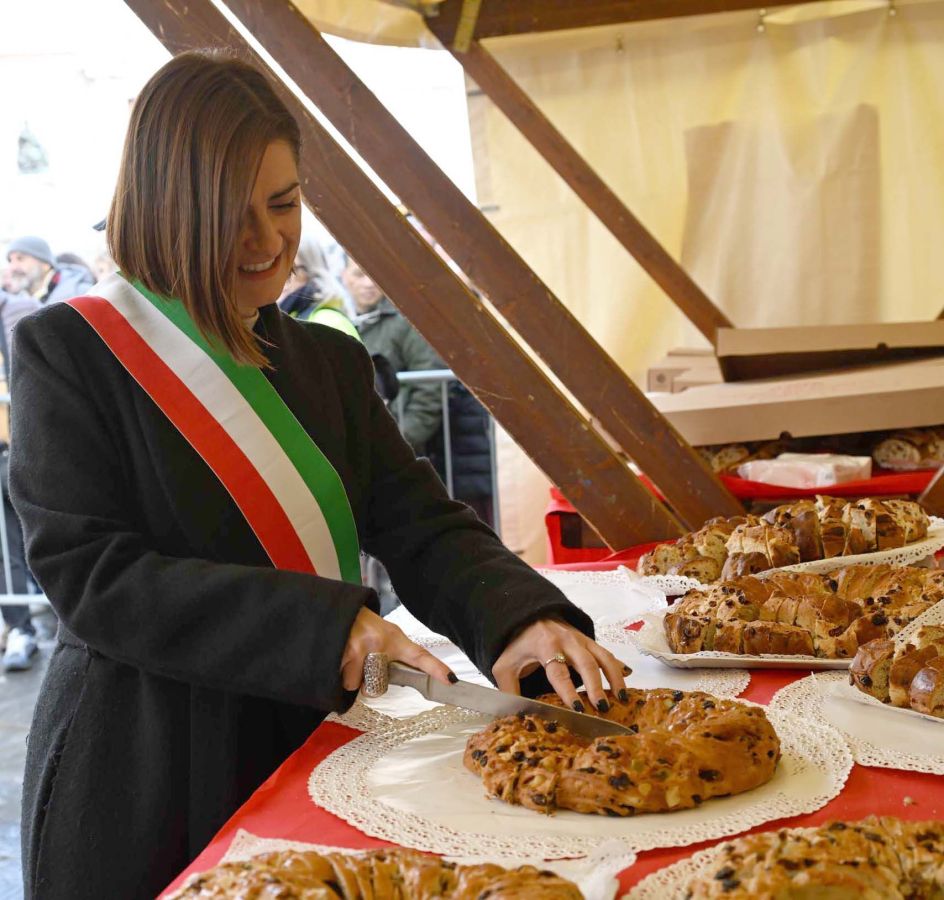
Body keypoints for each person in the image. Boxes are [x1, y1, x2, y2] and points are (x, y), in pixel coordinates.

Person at [10, 51, 627, 900]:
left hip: (315, 734)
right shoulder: (73, 352)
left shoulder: (329, 362)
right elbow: (93, 576)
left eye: (285, 203)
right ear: (167, 209)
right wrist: (325, 629)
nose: (269, 244)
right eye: (233, 216)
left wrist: (515, 618)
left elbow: (416, 520)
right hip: (148, 771)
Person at [343, 257, 445, 455]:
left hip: (397, 448)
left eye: (373, 275)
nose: (368, 283)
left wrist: (401, 439)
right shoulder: (335, 318)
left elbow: (430, 388)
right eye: (359, 274)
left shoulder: (405, 321)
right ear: (345, 276)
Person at [0, 288, 41, 670]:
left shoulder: (21, 312)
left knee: (29, 537)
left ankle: (30, 627)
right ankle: (19, 627)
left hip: (18, 445)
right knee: (6, 547)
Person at [5, 235, 94, 304]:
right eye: (10, 260)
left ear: (45, 264)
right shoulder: (13, 303)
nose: (12, 267)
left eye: (20, 258)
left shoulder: (82, 294)